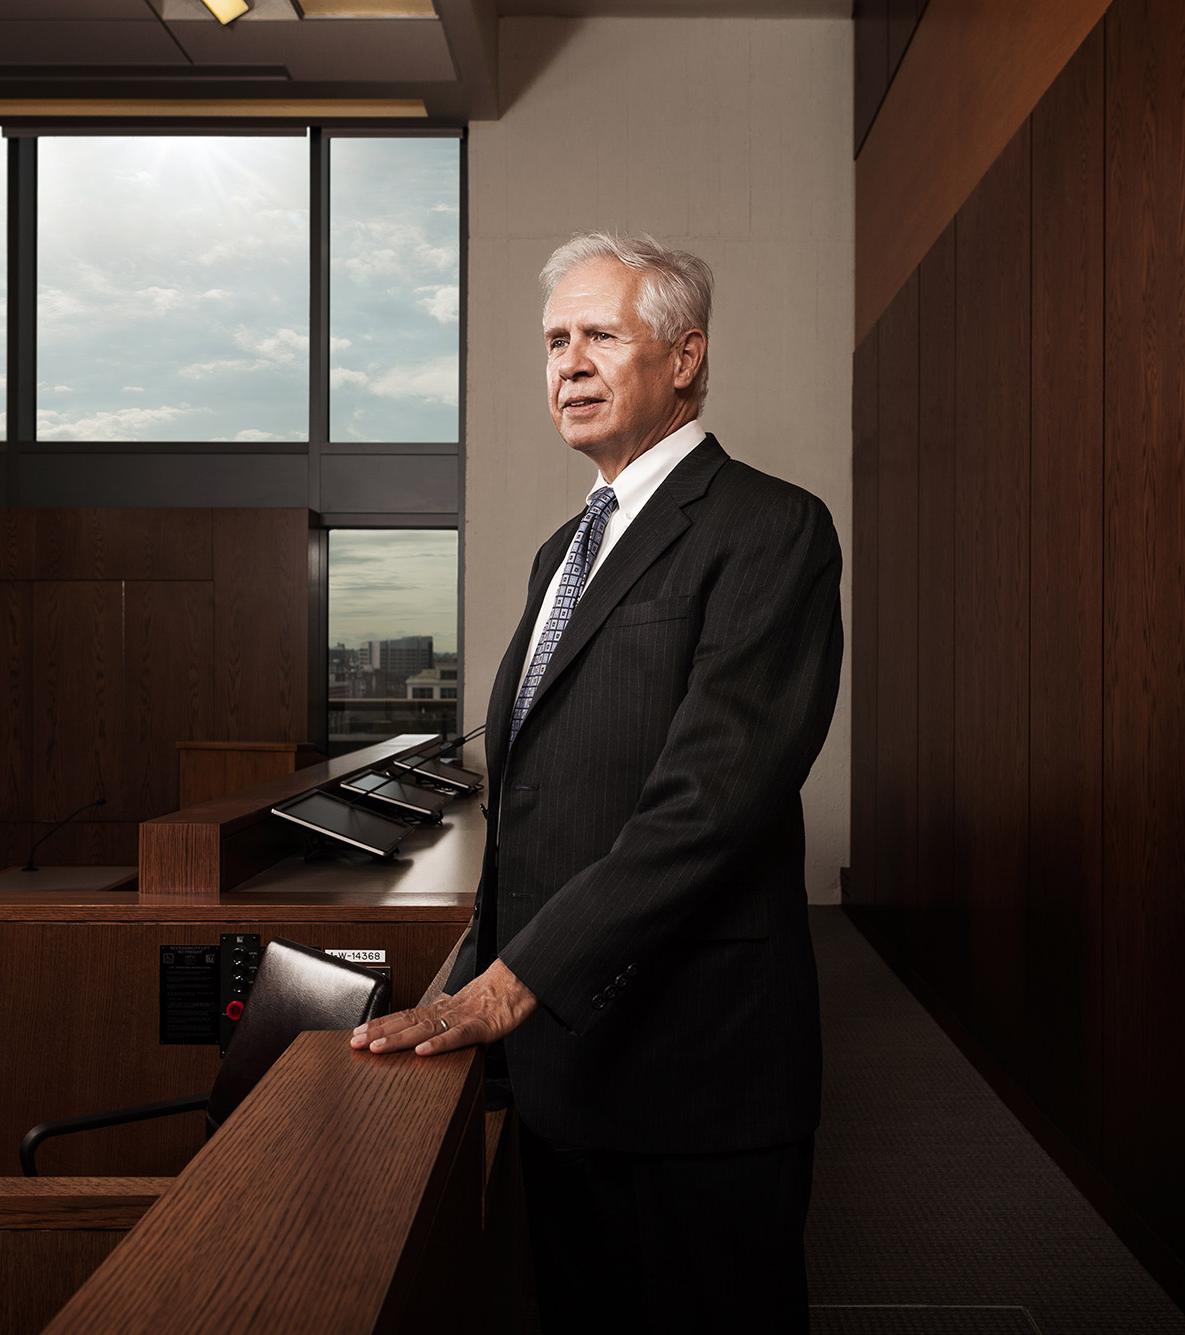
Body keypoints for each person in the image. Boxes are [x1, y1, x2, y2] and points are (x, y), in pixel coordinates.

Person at [351, 232, 843, 1332]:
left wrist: (506, 988)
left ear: (685, 357)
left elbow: (708, 804)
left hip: (693, 1069)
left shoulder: (771, 529)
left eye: (600, 336)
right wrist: (466, 983)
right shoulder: (561, 551)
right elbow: (536, 801)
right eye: (553, 340)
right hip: (559, 1067)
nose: (566, 363)